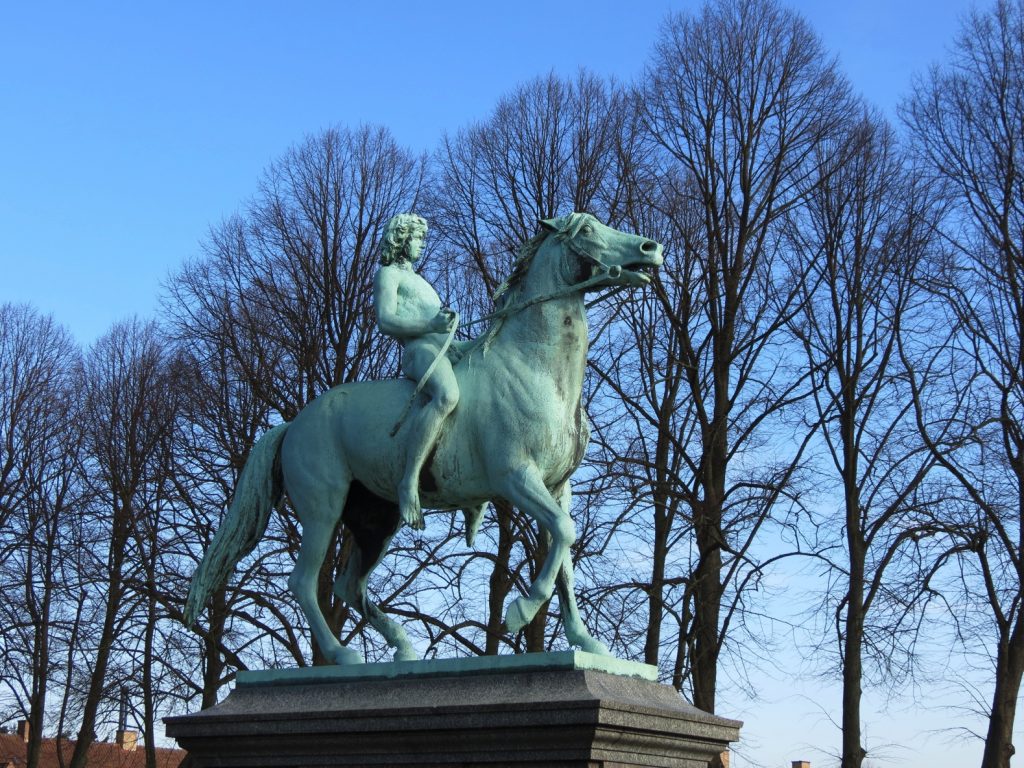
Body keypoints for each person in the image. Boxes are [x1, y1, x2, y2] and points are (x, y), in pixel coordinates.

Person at [374, 213, 459, 530]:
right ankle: (409, 482)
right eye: (417, 238)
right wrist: (431, 325)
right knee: (447, 395)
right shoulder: (388, 275)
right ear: (401, 239)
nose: (422, 244)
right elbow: (385, 321)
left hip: (444, 350)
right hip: (419, 352)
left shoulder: (421, 282)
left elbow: (439, 330)